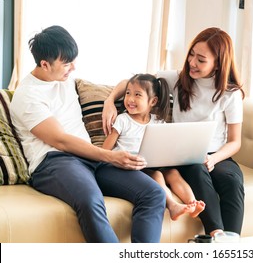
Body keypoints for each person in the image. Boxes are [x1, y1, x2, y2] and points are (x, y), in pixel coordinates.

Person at [10, 25, 166, 243]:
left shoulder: (65, 79)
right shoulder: (27, 95)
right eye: (66, 63)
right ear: (45, 64)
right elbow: (60, 141)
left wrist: (110, 101)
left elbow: (129, 83)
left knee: (154, 194)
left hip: (90, 157)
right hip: (55, 161)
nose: (73, 68)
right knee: (90, 199)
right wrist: (110, 156)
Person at [103, 27, 245, 237]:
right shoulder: (177, 79)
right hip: (185, 157)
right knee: (197, 172)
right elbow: (134, 82)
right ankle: (216, 234)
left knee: (232, 181)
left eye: (201, 60)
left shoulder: (230, 93)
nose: (192, 63)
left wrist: (214, 159)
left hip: (217, 155)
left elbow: (235, 141)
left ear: (218, 63)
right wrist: (109, 100)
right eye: (191, 55)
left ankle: (232, 243)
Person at [102, 73, 205, 221]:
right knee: (157, 176)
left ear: (153, 101)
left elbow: (166, 148)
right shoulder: (122, 120)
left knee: (173, 173)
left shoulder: (158, 122)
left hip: (151, 164)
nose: (130, 99)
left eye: (137, 95)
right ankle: (173, 206)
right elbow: (105, 151)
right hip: (128, 167)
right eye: (128, 93)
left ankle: (192, 204)